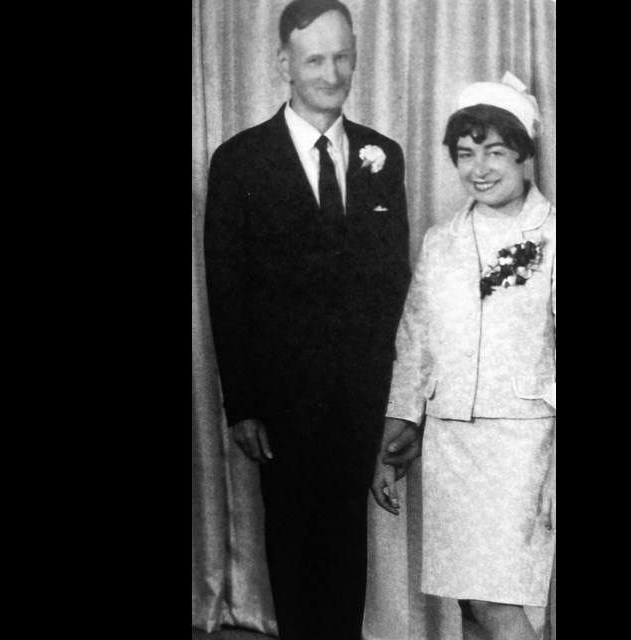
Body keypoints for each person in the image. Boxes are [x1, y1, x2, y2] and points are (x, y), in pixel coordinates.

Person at [203, 1, 411, 638]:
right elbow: (227, 287)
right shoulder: (239, 161)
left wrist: (396, 399)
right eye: (315, 58)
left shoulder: (383, 154)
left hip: (359, 399)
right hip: (282, 407)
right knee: (293, 553)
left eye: (342, 55)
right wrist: (242, 404)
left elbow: (393, 284)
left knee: (347, 552)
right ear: (282, 64)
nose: (332, 71)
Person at [372, 73, 556, 640]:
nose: (479, 168)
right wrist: (396, 434)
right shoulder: (440, 241)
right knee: (471, 607)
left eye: (495, 152)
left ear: (524, 155)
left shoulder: (551, 236)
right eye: (465, 154)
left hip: (521, 443)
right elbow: (416, 345)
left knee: (504, 605)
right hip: (451, 441)